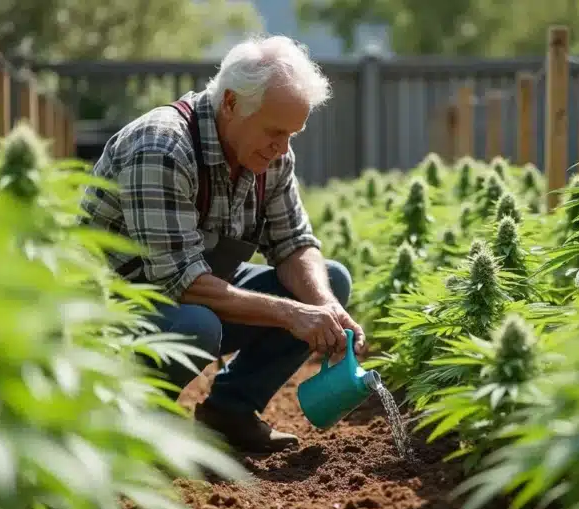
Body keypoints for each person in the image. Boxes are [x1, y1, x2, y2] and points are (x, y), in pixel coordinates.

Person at [79, 35, 366, 453]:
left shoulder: (271, 156)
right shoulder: (162, 145)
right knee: (196, 324)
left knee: (329, 281)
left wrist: (325, 308)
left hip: (190, 296)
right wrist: (291, 314)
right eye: (275, 131)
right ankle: (131, 425)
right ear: (231, 103)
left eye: (292, 134)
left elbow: (293, 243)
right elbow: (183, 283)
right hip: (115, 313)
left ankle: (229, 412)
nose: (283, 148)